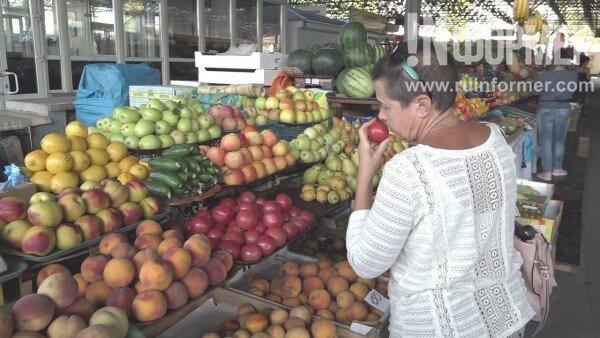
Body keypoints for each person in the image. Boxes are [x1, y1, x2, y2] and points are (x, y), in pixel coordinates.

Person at [345, 41, 534, 338]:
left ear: (421, 105)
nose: (381, 116)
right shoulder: (495, 138)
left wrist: (364, 176)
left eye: (385, 106)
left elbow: (366, 263)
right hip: (505, 317)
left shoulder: (410, 168)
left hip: (439, 328)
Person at [534, 51, 579, 180]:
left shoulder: (545, 74)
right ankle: (557, 168)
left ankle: (547, 172)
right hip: (563, 110)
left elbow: (536, 91)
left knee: (546, 141)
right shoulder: (573, 75)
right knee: (560, 140)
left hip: (546, 109)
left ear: (554, 61)